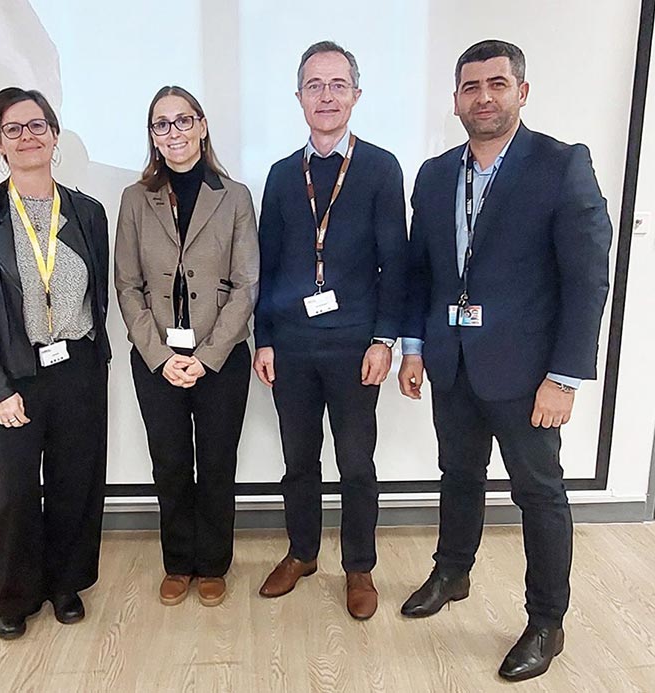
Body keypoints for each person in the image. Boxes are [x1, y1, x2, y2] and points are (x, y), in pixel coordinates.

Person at [399, 40, 612, 681]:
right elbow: (421, 273)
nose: (483, 96)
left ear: (523, 91)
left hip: (529, 376)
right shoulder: (436, 175)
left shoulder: (561, 164)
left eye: (497, 83)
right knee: (456, 474)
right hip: (452, 361)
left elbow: (587, 279)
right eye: (470, 86)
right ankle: (452, 572)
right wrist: (414, 347)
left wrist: (565, 377)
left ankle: (547, 622)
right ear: (456, 99)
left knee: (539, 495)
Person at [253, 41, 408, 620]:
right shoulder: (279, 175)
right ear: (298, 98)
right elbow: (266, 265)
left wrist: (384, 339)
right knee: (298, 459)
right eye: (314, 86)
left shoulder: (380, 167)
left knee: (357, 462)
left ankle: (360, 566)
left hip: (354, 345)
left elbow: (397, 260)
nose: (326, 96)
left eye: (337, 84)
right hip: (291, 345)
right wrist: (263, 337)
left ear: (356, 96)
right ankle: (302, 552)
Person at [0, 87, 111, 640]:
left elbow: (99, 298)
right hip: (15, 375)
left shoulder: (87, 212)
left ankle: (66, 585)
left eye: (37, 125)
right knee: (17, 488)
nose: (28, 136)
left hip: (79, 370)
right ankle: (15, 596)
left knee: (75, 482)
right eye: (13, 129)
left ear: (55, 135)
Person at [115, 86, 259, 607]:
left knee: (217, 463)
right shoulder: (135, 199)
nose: (173, 132)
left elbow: (246, 285)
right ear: (152, 135)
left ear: (201, 125)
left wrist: (205, 357)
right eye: (161, 124)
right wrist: (160, 356)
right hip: (156, 360)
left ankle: (214, 562)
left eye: (182, 121)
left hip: (220, 358)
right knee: (170, 463)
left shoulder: (235, 195)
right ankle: (178, 562)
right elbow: (126, 286)